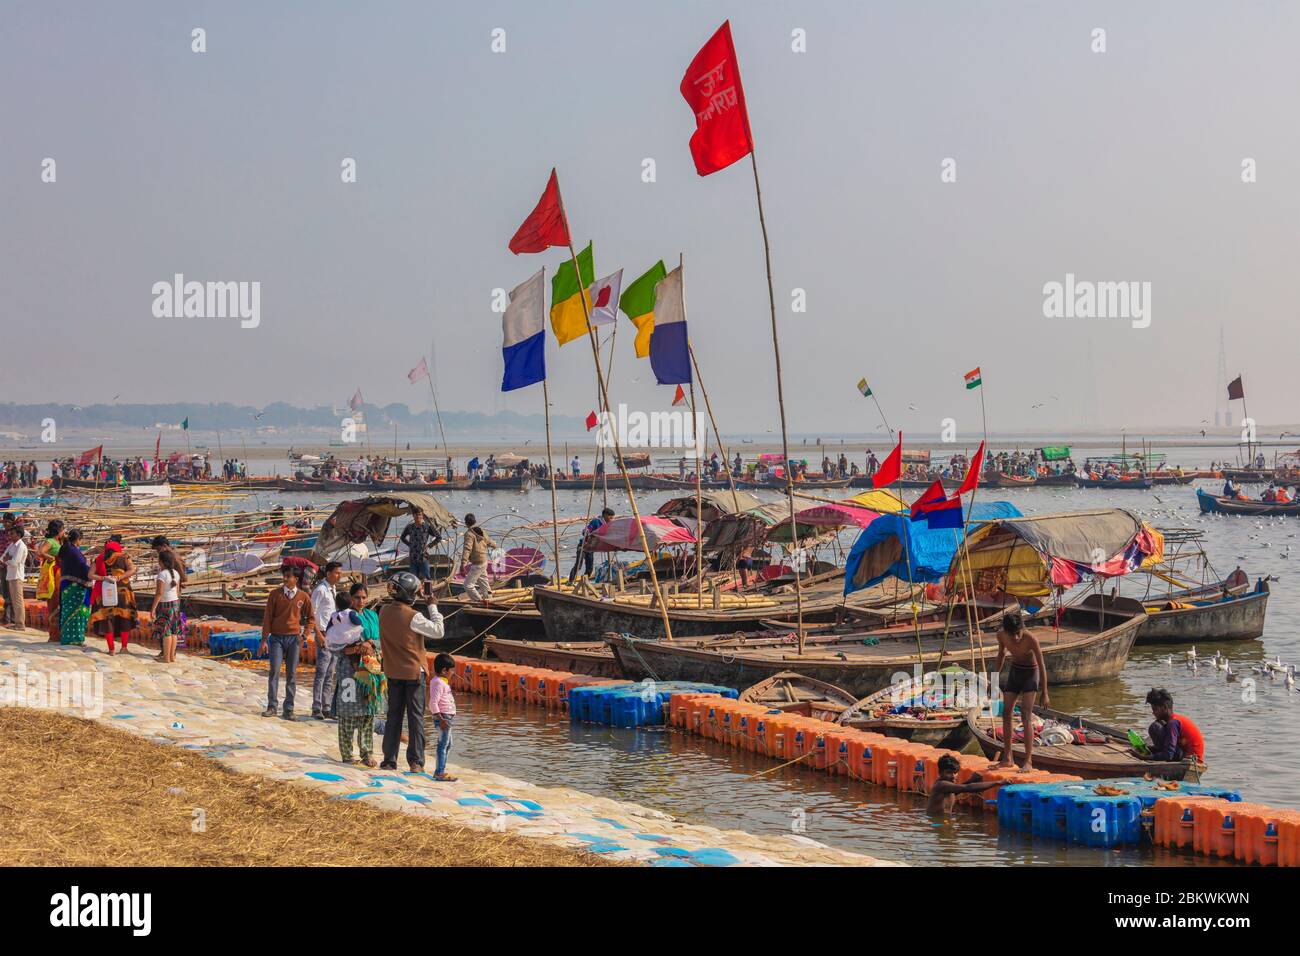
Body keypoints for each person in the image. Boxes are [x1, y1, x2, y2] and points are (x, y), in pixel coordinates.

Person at [378, 572, 445, 772]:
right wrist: (432, 605)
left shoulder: (383, 612)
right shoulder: (414, 616)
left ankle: (389, 760)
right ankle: (416, 761)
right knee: (415, 717)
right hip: (414, 673)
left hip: (392, 671)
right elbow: (439, 631)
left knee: (394, 717)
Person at [327, 590, 379, 766]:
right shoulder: (342, 618)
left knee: (368, 712)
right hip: (347, 671)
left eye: (364, 597)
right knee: (347, 712)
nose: (361, 601)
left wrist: (369, 643)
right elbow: (333, 644)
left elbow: (380, 639)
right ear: (350, 599)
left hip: (370, 668)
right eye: (357, 597)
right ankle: (347, 753)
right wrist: (353, 650)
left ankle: (367, 753)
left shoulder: (372, 616)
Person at [258, 566, 316, 719]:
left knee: (291, 674)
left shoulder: (303, 597)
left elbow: (311, 618)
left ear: (296, 579)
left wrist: (305, 636)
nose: (285, 579)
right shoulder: (274, 595)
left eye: (288, 576)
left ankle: (289, 709)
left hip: (294, 639)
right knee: (274, 671)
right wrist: (264, 640)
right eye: (284, 576)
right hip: (276, 638)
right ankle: (272, 706)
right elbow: (267, 618)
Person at [992, 612, 1049, 771]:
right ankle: (1007, 758)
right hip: (1015, 673)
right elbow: (1001, 654)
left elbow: (1042, 665)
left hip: (1031, 674)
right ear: (1006, 632)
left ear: (1023, 629)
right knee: (1006, 713)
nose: (1016, 638)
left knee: (1025, 715)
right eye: (1012, 635)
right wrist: (994, 680)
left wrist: (1044, 691)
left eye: (1018, 633)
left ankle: (1028, 761)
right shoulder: (1001, 636)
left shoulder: (1031, 639)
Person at [89, 535, 138, 655]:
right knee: (124, 618)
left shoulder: (99, 558)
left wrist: (103, 578)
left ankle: (111, 649)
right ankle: (124, 648)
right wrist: (120, 576)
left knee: (107, 620)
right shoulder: (124, 557)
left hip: (105, 593)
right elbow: (132, 569)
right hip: (123, 593)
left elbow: (90, 575)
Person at [310, 562, 344, 719]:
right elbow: (311, 614)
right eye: (337, 573)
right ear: (329, 573)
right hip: (323, 633)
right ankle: (316, 706)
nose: (339, 575)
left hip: (334, 634)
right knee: (321, 672)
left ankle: (327, 706)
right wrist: (318, 634)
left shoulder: (333, 589)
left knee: (330, 672)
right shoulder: (320, 590)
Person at [1138, 688, 1205, 764]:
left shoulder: (1173, 723)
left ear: (1164, 707)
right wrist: (1147, 749)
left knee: (1155, 727)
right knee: (1158, 725)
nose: (1153, 713)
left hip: (1191, 760)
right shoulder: (1174, 721)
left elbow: (1168, 754)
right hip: (1186, 755)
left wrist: (1144, 758)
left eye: (1155, 709)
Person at [926, 754, 1001, 815]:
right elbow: (968, 787)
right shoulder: (941, 784)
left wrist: (971, 779)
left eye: (955, 773)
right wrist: (998, 782)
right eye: (948, 772)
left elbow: (958, 789)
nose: (953, 776)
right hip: (938, 823)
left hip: (942, 821)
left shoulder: (947, 786)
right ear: (940, 772)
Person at [57, 529, 94, 646]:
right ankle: (76, 639)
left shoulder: (67, 550)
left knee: (67, 611)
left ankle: (67, 637)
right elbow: (82, 568)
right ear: (78, 539)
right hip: (76, 587)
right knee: (78, 613)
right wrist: (93, 569)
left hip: (66, 585)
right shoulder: (75, 552)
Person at [150, 547, 185, 663]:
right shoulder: (176, 574)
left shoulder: (162, 575)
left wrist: (153, 609)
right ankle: (172, 657)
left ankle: (166, 658)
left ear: (161, 562)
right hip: (175, 604)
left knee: (166, 632)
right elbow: (177, 591)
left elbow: (159, 593)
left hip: (165, 605)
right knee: (174, 631)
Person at [427, 652, 458, 781]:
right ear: (444, 670)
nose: (453, 673)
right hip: (443, 717)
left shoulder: (442, 682)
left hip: (446, 717)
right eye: (452, 670)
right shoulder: (438, 683)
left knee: (448, 744)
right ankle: (439, 772)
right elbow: (432, 703)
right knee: (443, 744)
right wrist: (441, 719)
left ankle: (441, 770)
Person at [35, 520, 65, 642]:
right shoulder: (50, 541)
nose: (64, 531)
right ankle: (54, 635)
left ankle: (60, 633)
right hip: (54, 575)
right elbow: (40, 552)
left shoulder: (60, 541)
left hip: (61, 573)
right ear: (58, 530)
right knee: (54, 602)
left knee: (61, 602)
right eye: (63, 529)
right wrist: (53, 558)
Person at [568, 508, 613, 584]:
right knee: (578, 565)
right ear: (605, 515)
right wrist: (586, 532)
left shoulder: (606, 525)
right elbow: (588, 529)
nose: (611, 520)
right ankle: (570, 581)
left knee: (589, 568)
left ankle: (584, 582)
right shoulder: (596, 521)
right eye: (610, 517)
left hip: (591, 548)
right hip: (583, 546)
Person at [460, 514, 496, 602]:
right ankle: (489, 600)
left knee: (467, 585)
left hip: (478, 563)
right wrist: (494, 545)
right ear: (475, 521)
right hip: (483, 561)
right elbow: (489, 541)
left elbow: (467, 549)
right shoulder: (481, 531)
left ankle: (478, 601)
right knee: (484, 583)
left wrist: (463, 564)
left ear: (466, 523)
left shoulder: (469, 534)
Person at [399, 509, 439, 581]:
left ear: (422, 516)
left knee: (427, 578)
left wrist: (429, 546)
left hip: (423, 557)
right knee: (413, 579)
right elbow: (402, 538)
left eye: (420, 515)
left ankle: (428, 591)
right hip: (413, 557)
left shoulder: (427, 526)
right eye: (416, 515)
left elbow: (438, 537)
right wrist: (409, 544)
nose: (418, 516)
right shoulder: (409, 527)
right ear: (413, 516)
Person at [1, 526, 29, 629]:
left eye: (12, 533)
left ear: (18, 534)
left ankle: (20, 624)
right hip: (10, 575)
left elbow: (14, 562)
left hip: (17, 576)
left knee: (18, 601)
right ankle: (17, 623)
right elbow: (3, 557)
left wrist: (7, 559)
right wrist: (8, 559)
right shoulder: (12, 545)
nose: (10, 535)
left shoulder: (21, 546)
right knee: (14, 601)